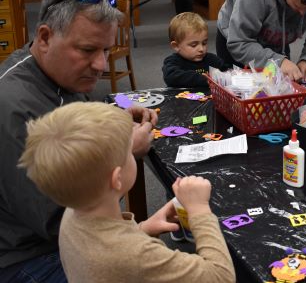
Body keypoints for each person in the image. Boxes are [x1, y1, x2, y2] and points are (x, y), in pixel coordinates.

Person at [0, 0, 157, 282]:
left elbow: (68, 124)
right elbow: (63, 222)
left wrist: (113, 117)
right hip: (27, 256)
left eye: (107, 50)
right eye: (87, 50)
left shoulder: (56, 75)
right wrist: (122, 152)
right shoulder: (15, 111)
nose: (100, 65)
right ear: (44, 37)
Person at [18, 102, 236, 282]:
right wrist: (200, 211)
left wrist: (142, 229)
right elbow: (221, 277)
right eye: (128, 152)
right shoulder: (136, 255)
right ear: (117, 178)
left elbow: (106, 248)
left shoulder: (72, 214)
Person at [163, 12, 229, 88]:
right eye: (194, 45)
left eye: (204, 43)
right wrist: (206, 79)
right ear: (176, 46)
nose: (201, 49)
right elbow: (171, 77)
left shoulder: (212, 60)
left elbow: (228, 71)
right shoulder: (172, 61)